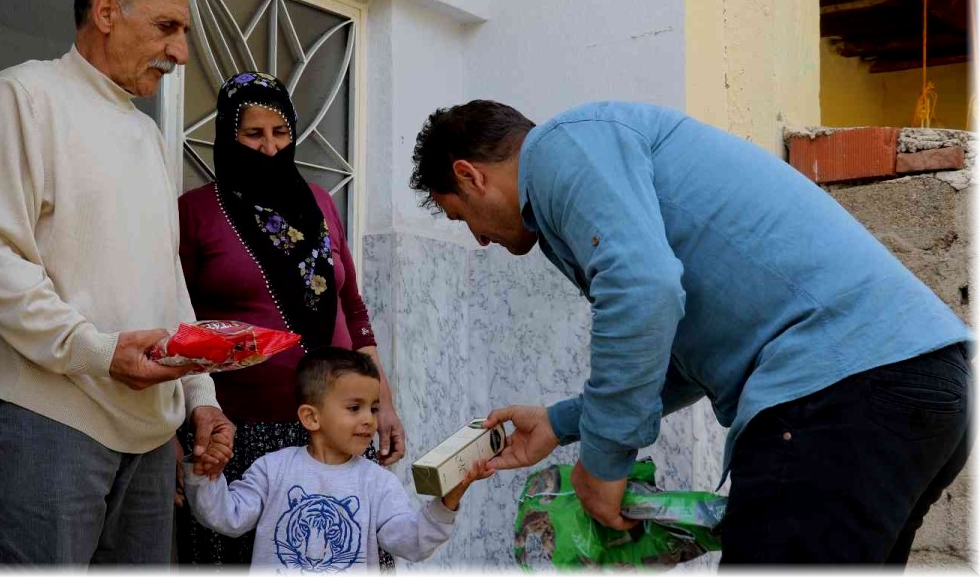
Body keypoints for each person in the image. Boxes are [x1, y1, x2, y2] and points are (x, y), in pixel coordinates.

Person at [408, 99, 972, 565]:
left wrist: (605, 464)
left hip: (839, 397)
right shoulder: (598, 153)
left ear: (469, 175)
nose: (480, 240)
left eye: (462, 218)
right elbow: (676, 355)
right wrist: (560, 424)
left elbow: (643, 291)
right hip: (914, 386)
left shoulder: (562, 148)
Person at [0, 0, 234, 565]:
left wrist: (203, 398)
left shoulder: (145, 134)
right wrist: (99, 352)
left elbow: (166, 280)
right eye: (168, 27)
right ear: (107, 12)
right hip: (49, 423)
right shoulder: (24, 95)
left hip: (151, 435)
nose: (180, 53)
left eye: (183, 32)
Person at [175, 71, 404, 567]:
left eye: (281, 134)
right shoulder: (195, 213)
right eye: (253, 134)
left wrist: (381, 400)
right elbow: (176, 325)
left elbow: (352, 307)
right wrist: (181, 429)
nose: (270, 148)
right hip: (239, 437)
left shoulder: (320, 204)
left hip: (331, 431)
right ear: (227, 136)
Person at [183, 348, 490, 571]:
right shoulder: (273, 468)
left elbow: (410, 542)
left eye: (373, 408)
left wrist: (446, 502)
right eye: (354, 408)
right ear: (311, 417)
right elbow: (227, 517)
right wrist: (206, 473)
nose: (369, 420)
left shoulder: (378, 482)